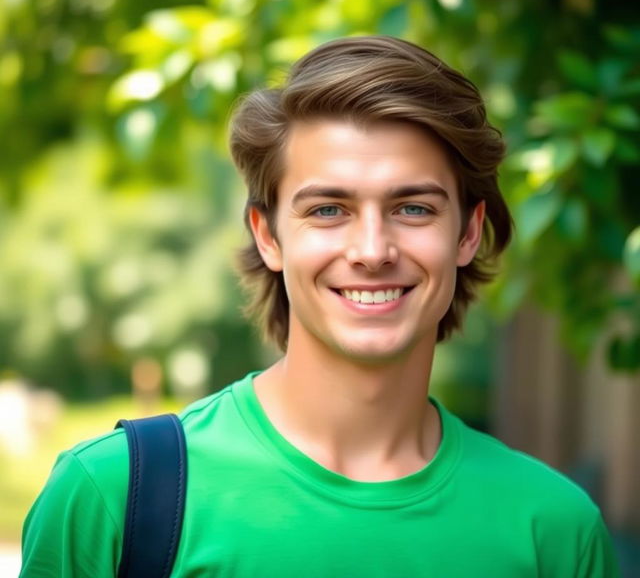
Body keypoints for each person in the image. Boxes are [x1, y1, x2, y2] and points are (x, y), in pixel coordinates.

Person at [20, 36, 620, 577]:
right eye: (328, 209)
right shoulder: (113, 498)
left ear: (467, 234)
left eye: (413, 208)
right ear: (268, 236)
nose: (371, 251)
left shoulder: (555, 533)